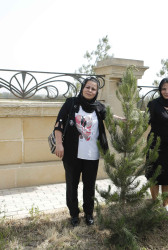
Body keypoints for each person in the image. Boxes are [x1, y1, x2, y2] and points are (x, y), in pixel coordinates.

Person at [54, 77, 109, 227]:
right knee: (72, 185)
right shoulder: (71, 103)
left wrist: (124, 120)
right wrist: (59, 144)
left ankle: (89, 214)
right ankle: (74, 214)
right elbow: (58, 125)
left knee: (89, 186)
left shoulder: (99, 107)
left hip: (92, 155)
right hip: (72, 154)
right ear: (82, 87)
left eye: (93, 89)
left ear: (96, 92)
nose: (90, 90)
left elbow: (110, 117)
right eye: (88, 87)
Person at [145, 78, 168, 212]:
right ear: (160, 90)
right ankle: (155, 203)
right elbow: (146, 121)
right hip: (155, 146)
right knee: (154, 176)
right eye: (164, 89)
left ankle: (165, 204)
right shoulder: (154, 104)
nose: (167, 92)